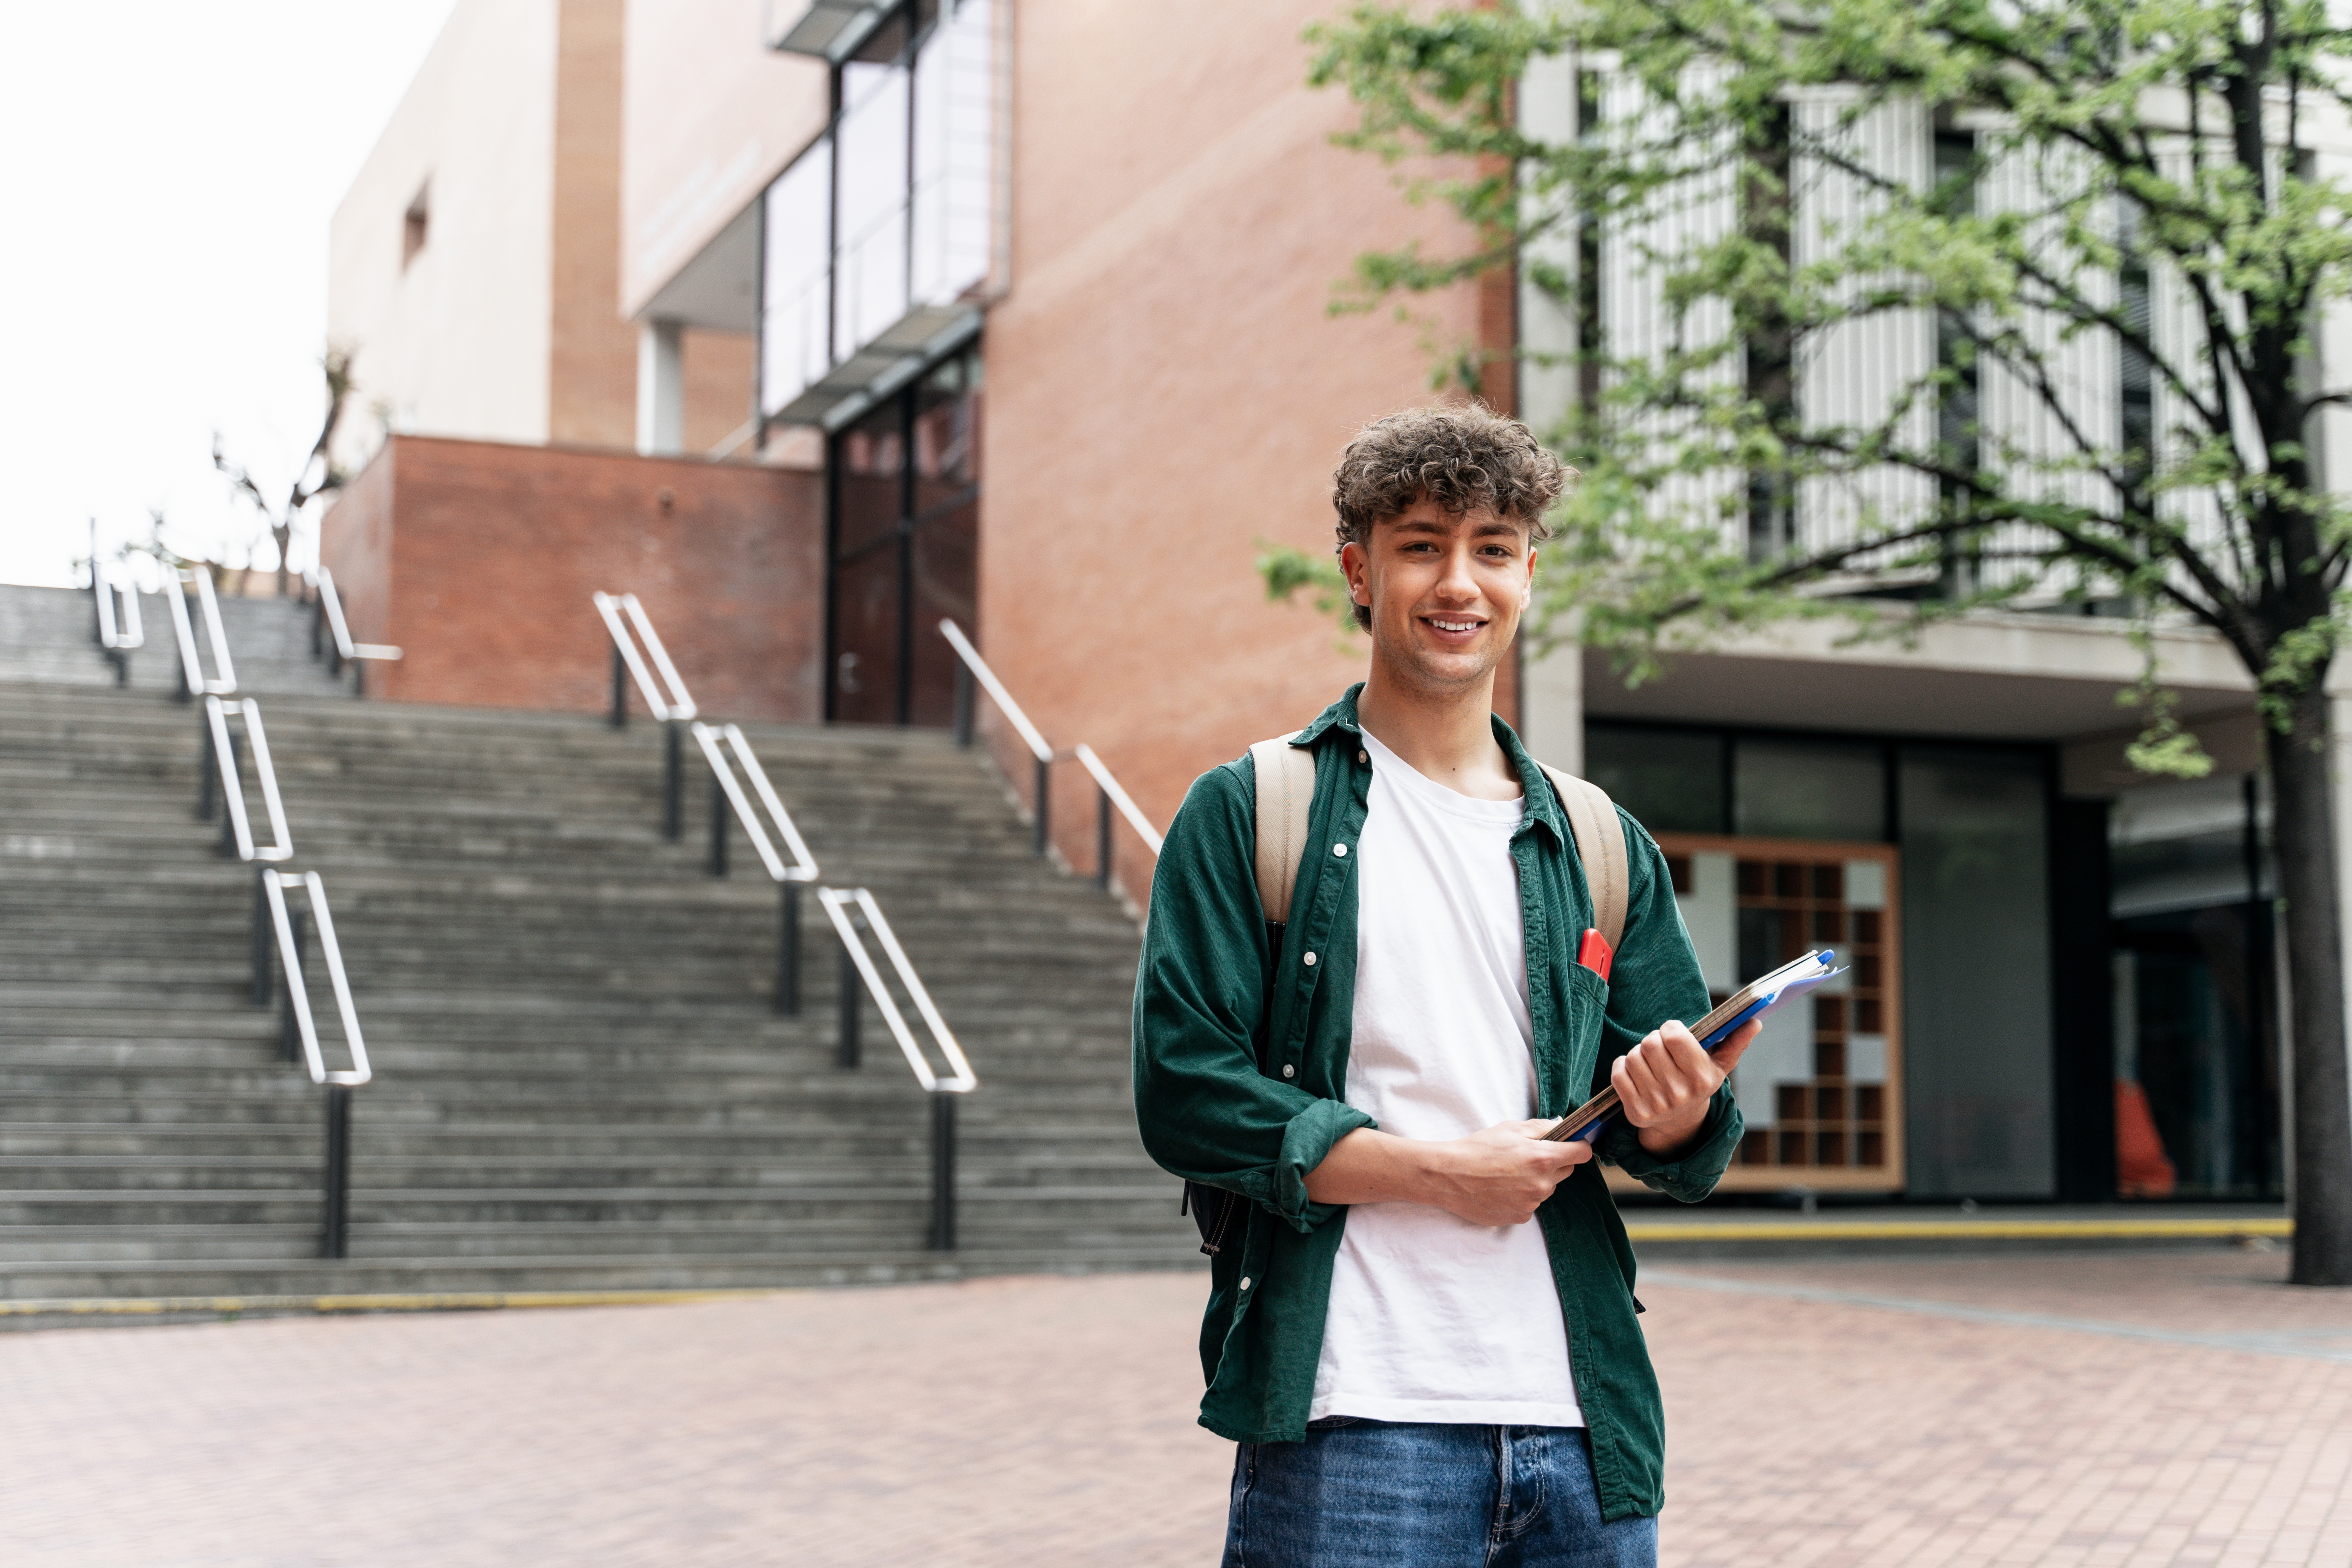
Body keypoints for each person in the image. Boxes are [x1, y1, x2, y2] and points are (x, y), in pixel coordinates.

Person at [1132, 403, 1758, 1567]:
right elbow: (1184, 1091)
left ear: (1529, 570)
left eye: (1491, 547)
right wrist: (1436, 1173)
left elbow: (1686, 1132)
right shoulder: (1253, 808)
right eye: (1421, 544)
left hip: (1583, 1422)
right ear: (1359, 571)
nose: (1456, 581)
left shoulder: (1596, 838)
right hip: (1351, 1418)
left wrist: (1679, 1113)